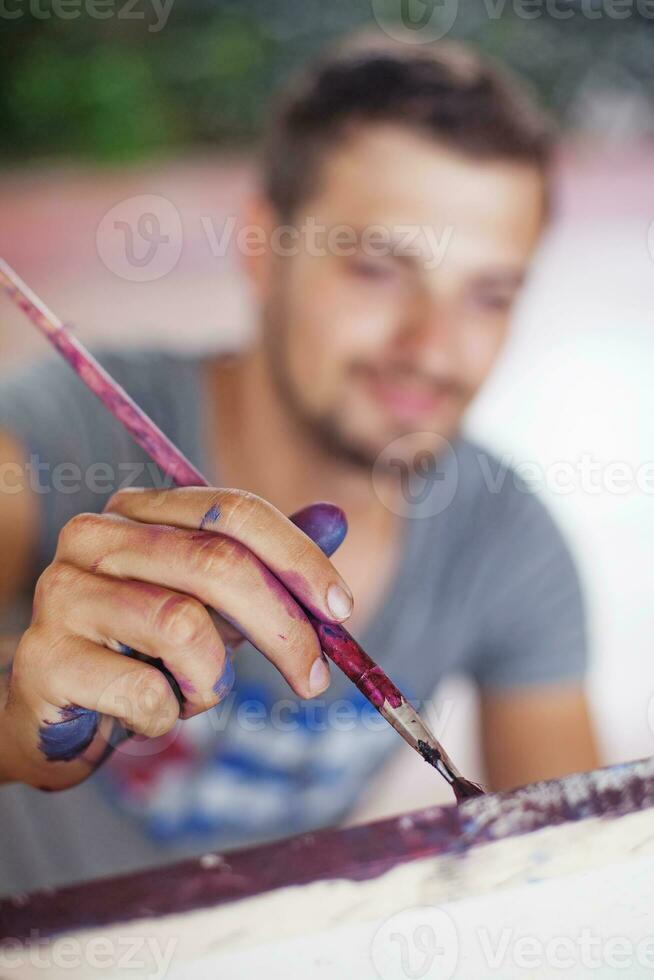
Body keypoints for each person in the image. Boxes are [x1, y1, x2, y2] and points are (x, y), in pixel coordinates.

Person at [0, 35, 598, 895]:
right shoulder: (57, 439)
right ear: (262, 244)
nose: (432, 349)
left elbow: (573, 877)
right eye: (378, 270)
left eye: (489, 295)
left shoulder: (506, 538)